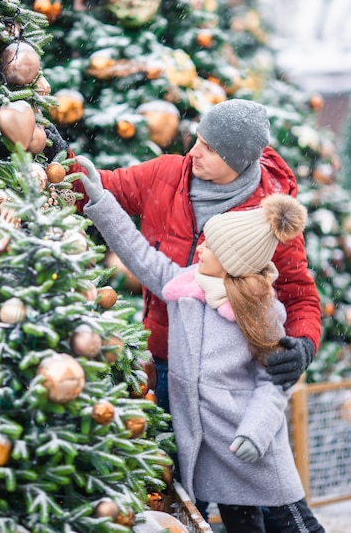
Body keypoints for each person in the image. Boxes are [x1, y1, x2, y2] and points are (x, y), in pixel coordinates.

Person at [76, 155, 325, 533]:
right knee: (229, 522)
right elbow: (138, 253)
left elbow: (273, 383)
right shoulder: (185, 288)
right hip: (205, 444)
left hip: (246, 441)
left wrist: (255, 433)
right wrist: (99, 199)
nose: (200, 250)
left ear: (231, 262)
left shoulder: (260, 311)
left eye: (209, 246)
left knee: (291, 521)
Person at [63, 99, 322, 409]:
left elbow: (298, 293)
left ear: (237, 161)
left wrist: (304, 344)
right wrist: (54, 155)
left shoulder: (268, 219)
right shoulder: (167, 174)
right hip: (161, 359)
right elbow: (99, 188)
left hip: (227, 377)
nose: (194, 152)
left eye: (210, 149)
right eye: (198, 138)